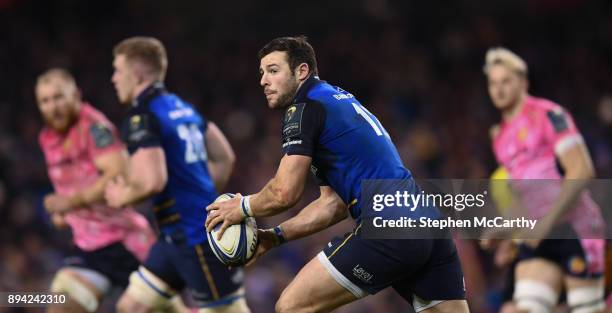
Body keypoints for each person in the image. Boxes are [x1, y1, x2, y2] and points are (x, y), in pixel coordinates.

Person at [205, 36, 469, 313]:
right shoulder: (334, 101)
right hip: (427, 224)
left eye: (273, 70)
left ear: (302, 71)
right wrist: (276, 236)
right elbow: (332, 206)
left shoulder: (304, 107)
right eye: (262, 73)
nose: (263, 81)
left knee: (291, 306)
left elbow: (284, 192)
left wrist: (243, 206)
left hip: (389, 227)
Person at [104, 37, 248, 313]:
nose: (113, 78)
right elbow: (224, 156)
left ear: (136, 75)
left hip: (196, 236)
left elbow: (152, 181)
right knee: (131, 307)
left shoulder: (142, 116)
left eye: (118, 70)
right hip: (175, 235)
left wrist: (121, 195)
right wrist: (201, 194)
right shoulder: (181, 107)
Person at [485, 47, 606, 313]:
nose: (499, 89)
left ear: (523, 82)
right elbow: (524, 196)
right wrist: (506, 231)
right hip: (539, 236)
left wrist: (546, 223)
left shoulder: (550, 115)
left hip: (576, 229)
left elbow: (582, 171)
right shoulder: (500, 136)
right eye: (493, 83)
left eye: (506, 81)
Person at [36, 68, 156, 313]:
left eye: (59, 97)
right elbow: (75, 183)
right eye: (45, 101)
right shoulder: (48, 138)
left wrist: (72, 203)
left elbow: (120, 173)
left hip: (125, 243)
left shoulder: (94, 127)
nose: (53, 107)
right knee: (58, 305)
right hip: (89, 249)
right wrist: (67, 214)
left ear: (76, 95)